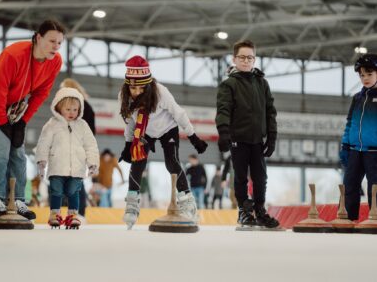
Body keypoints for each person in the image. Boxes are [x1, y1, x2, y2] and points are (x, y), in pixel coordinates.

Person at [0, 19, 65, 219]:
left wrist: (22, 122)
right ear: (38, 38)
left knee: (18, 152)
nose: (56, 47)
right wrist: (2, 121)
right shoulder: (14, 55)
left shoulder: (55, 62)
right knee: (0, 147)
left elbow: (41, 93)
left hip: (11, 105)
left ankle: (18, 199)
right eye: (51, 41)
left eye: (59, 43)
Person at [118, 55, 208, 229]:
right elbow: (130, 122)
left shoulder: (160, 92)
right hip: (144, 131)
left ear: (148, 85)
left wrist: (193, 136)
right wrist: (128, 145)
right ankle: (132, 202)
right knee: (138, 162)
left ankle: (186, 199)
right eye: (132, 88)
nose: (135, 92)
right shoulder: (124, 96)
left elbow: (179, 114)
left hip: (167, 129)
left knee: (171, 162)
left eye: (140, 88)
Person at [215, 39, 279, 229]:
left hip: (257, 140)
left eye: (250, 58)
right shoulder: (229, 84)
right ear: (234, 59)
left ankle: (259, 210)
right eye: (242, 57)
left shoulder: (262, 83)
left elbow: (270, 111)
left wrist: (272, 136)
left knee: (261, 177)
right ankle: (243, 211)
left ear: (254, 60)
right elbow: (223, 109)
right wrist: (224, 132)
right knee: (240, 176)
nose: (246, 61)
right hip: (238, 139)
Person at [35, 87, 99, 228]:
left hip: (77, 168)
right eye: (68, 109)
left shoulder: (83, 126)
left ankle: (73, 215)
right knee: (56, 191)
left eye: (75, 110)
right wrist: (41, 161)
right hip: (57, 166)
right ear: (58, 107)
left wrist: (92, 163)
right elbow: (43, 143)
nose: (72, 113)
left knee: (73, 191)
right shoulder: (52, 125)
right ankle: (55, 214)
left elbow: (90, 145)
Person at [340, 53, 377, 221]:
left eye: (369, 74)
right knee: (349, 186)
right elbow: (350, 123)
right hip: (355, 150)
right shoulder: (357, 98)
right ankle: (349, 219)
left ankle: (375, 219)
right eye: (362, 75)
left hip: (374, 151)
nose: (365, 78)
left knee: (374, 188)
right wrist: (345, 145)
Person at [59, 78, 96, 218]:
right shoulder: (81, 106)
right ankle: (76, 211)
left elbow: (89, 132)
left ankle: (79, 212)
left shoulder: (80, 107)